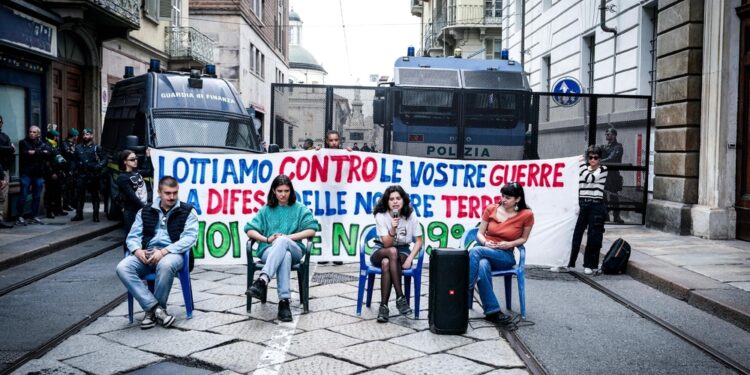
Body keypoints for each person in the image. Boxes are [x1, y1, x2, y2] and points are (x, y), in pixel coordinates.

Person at [115, 176, 198, 329]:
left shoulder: (187, 211)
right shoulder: (145, 211)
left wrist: (165, 251)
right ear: (159, 192)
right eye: (168, 193)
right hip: (147, 253)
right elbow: (133, 236)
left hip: (173, 254)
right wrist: (137, 250)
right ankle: (155, 309)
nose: (172, 197)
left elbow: (190, 239)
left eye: (175, 193)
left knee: (165, 264)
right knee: (122, 267)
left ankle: (150, 313)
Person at [245, 175, 318, 322]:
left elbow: (312, 230)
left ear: (291, 191)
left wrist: (286, 238)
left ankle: (263, 279)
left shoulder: (299, 209)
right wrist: (267, 239)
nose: (283, 194)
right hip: (269, 249)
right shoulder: (266, 210)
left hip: (295, 248)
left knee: (283, 243)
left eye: (286, 190)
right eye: (279, 191)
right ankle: (284, 302)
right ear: (273, 191)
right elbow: (249, 229)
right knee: (284, 256)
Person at [468, 182, 534, 324]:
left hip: (504, 256)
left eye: (508, 197)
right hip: (486, 250)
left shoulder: (526, 214)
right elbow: (479, 234)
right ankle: (492, 311)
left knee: (475, 251)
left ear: (517, 199)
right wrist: (485, 242)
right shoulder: (491, 209)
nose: (503, 200)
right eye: (502, 196)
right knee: (482, 265)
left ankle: (465, 289)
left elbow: (524, 238)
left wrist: (509, 244)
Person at [369, 185, 423, 323]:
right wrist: (393, 228)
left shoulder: (411, 215)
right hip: (382, 248)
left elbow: (418, 241)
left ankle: (384, 307)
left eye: (398, 198)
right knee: (391, 252)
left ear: (403, 200)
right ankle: (400, 297)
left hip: (403, 250)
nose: (395, 202)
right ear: (387, 202)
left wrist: (410, 259)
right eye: (391, 199)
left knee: (386, 263)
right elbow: (387, 244)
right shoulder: (381, 215)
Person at [556, 146, 608, 275]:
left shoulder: (603, 169)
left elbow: (591, 178)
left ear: (600, 159)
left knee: (594, 236)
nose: (592, 160)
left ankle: (590, 264)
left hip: (596, 205)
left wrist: (581, 165)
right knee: (574, 234)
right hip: (582, 204)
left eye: (595, 157)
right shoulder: (582, 169)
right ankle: (567, 263)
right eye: (590, 157)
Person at [17, 126, 52, 225]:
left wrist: (35, 152)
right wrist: (41, 152)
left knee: (37, 196)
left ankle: (34, 216)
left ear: (38, 134)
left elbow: (49, 153)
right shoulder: (23, 142)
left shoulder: (42, 143)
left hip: (38, 174)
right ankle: (19, 216)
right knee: (23, 195)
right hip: (26, 173)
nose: (31, 133)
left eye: (34, 132)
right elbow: (26, 153)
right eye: (30, 132)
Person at [70, 128, 105, 222]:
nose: (86, 136)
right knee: (80, 195)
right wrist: (72, 171)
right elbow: (74, 160)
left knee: (95, 196)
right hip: (81, 175)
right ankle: (79, 214)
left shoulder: (96, 147)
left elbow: (104, 160)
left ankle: (96, 215)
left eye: (88, 134)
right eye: (84, 134)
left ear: (92, 136)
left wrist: (98, 166)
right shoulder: (78, 147)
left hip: (93, 175)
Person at [116, 149, 149, 233]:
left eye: (136, 158)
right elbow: (132, 196)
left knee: (140, 236)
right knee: (131, 236)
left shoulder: (136, 172)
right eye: (132, 159)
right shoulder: (122, 177)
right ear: (124, 162)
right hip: (132, 211)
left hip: (140, 209)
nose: (135, 161)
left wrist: (148, 157)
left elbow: (149, 171)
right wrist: (145, 208)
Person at [600, 127, 624, 224]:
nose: (606, 135)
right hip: (605, 174)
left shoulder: (618, 147)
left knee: (614, 196)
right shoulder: (604, 147)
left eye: (608, 134)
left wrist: (600, 161)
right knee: (603, 195)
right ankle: (606, 215)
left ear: (614, 135)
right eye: (606, 134)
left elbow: (612, 159)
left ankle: (616, 216)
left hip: (613, 175)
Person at [43, 129, 67, 218]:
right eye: (56, 136)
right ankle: (50, 212)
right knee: (50, 193)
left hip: (58, 172)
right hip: (51, 173)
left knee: (58, 192)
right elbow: (47, 162)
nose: (57, 138)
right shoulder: (47, 146)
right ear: (54, 137)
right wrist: (52, 172)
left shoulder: (55, 145)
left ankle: (58, 210)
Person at [0, 115, 15, 228]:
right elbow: (10, 148)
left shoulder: (4, 136)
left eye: (0, 121)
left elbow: (11, 150)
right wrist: (10, 148)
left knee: (2, 196)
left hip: (4, 168)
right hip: (1, 170)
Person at [60, 128, 79, 212]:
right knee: (66, 188)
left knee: (72, 187)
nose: (77, 137)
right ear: (74, 136)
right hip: (66, 168)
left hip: (73, 168)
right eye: (77, 136)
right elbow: (70, 153)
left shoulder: (73, 144)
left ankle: (72, 203)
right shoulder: (65, 143)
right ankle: (66, 205)